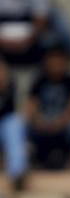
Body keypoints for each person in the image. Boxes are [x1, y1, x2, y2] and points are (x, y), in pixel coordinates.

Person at [24, 44, 70, 169]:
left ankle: (64, 159)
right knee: (26, 128)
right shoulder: (39, 81)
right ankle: (40, 158)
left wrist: (59, 123)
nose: (55, 63)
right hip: (42, 122)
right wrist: (39, 121)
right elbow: (31, 106)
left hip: (64, 122)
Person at [0, 58, 28, 188]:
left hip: (5, 126)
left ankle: (17, 173)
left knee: (15, 124)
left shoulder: (10, 86)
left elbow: (20, 110)